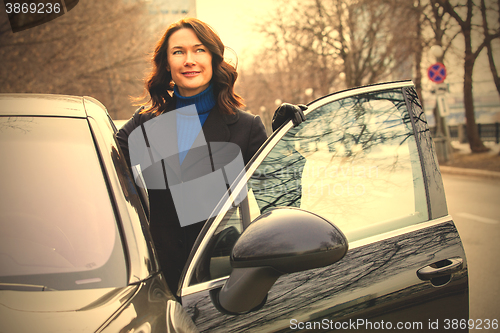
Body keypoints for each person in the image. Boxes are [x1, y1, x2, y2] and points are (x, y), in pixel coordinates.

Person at [116, 17, 305, 294]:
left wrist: (284, 142)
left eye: (199, 50)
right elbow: (103, 175)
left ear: (214, 59)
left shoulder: (246, 127)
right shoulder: (143, 124)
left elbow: (281, 201)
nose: (189, 60)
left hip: (222, 283)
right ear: (167, 64)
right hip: (158, 285)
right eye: (178, 52)